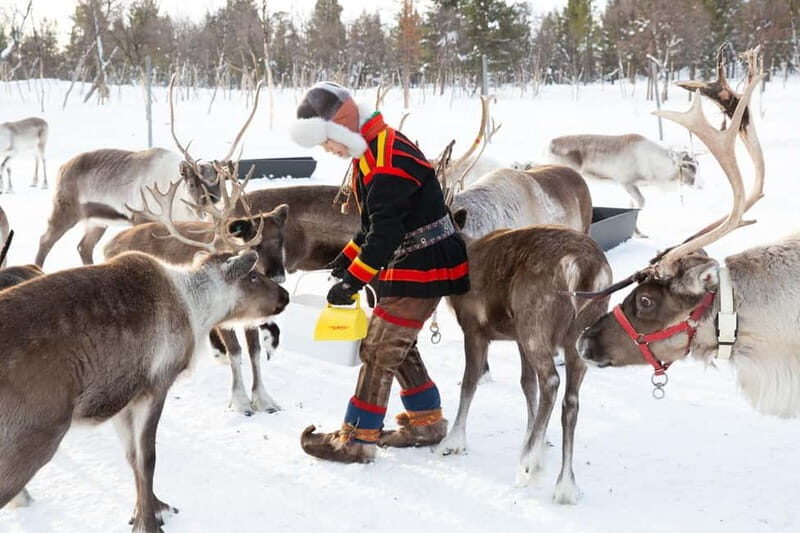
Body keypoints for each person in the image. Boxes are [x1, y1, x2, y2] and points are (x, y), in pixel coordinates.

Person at [289, 81, 470, 464]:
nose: (327, 150)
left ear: (341, 128)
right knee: (395, 341)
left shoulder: (387, 157)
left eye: (326, 141)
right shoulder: (371, 151)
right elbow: (373, 225)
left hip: (424, 261)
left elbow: (386, 232)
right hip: (412, 257)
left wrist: (354, 281)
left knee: (379, 347)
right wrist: (347, 260)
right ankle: (426, 422)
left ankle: (356, 440)